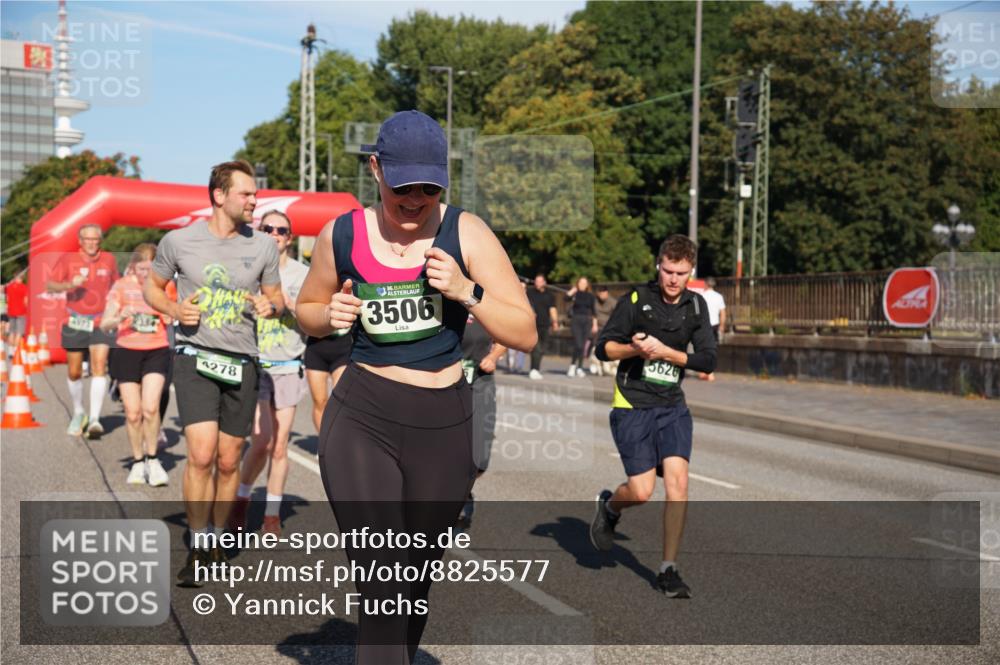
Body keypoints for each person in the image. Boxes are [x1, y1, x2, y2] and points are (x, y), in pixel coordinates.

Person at [296, 109, 536, 664]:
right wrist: (326, 312)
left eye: (430, 186)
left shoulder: (466, 231)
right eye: (404, 186)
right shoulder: (344, 232)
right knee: (382, 581)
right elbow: (305, 309)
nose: (416, 199)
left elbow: (524, 331)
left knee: (413, 585)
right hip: (363, 415)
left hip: (444, 423)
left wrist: (466, 290)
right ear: (376, 169)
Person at [144, 160, 284, 586]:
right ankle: (199, 544)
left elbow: (276, 299)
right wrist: (172, 308)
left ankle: (220, 538)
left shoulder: (261, 246)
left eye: (255, 194)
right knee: (201, 455)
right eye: (246, 194)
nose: (254, 201)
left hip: (242, 360)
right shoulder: (179, 242)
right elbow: (152, 287)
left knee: (228, 462)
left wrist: (270, 306)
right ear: (219, 195)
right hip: (195, 355)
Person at [590, 234, 717, 599]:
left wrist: (665, 353)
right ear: (657, 266)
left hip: (672, 406)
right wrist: (634, 349)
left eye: (681, 273)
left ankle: (668, 569)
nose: (674, 279)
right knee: (642, 491)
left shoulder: (696, 306)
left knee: (678, 483)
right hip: (633, 401)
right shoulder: (636, 300)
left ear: (691, 271)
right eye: (668, 271)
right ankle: (611, 507)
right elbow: (603, 349)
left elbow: (707, 359)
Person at [230, 211, 310, 537]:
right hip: (255, 363)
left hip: (289, 365)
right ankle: (241, 500)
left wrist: (289, 304)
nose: (275, 233)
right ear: (259, 233)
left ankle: (272, 516)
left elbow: (312, 322)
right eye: (268, 228)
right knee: (261, 441)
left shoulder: (303, 274)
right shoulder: (246, 271)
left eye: (282, 230)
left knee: (280, 446)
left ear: (289, 238)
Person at [100, 243, 171, 487]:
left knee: (150, 408)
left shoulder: (165, 287)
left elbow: (174, 316)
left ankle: (153, 459)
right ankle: (138, 462)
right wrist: (120, 316)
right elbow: (104, 324)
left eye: (150, 269)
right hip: (127, 351)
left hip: (156, 350)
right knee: (133, 413)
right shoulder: (121, 286)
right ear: (133, 267)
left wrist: (166, 313)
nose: (145, 274)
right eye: (141, 269)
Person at [46, 224, 119, 438]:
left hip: (100, 321)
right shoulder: (68, 260)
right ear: (80, 241)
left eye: (96, 239)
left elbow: (116, 286)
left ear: (100, 241)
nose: (92, 243)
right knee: (75, 371)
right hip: (75, 320)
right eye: (87, 239)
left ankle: (95, 419)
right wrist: (69, 284)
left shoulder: (109, 259)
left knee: (99, 367)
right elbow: (50, 285)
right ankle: (79, 412)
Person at [457, 312, 507, 529]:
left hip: (480, 381)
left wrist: (494, 356)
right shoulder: (440, 299)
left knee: (480, 458)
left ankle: (464, 492)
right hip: (444, 382)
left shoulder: (485, 303)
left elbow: (506, 337)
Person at [303, 330, 352, 433]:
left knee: (340, 401)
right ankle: (323, 443)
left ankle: (338, 441)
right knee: (319, 402)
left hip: (343, 347)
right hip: (316, 348)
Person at [526, 273, 558, 380]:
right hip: (533, 325)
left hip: (545, 324)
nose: (537, 283)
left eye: (540, 281)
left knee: (543, 348)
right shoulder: (530, 293)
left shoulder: (550, 295)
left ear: (544, 282)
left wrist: (555, 322)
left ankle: (536, 369)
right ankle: (533, 369)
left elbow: (552, 309)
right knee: (536, 348)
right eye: (536, 281)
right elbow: (525, 304)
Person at [565, 276, 598, 377]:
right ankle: (572, 366)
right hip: (576, 320)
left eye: (584, 283)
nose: (582, 285)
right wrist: (573, 290)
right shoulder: (575, 294)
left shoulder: (591, 296)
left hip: (587, 321)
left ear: (587, 285)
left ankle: (579, 367)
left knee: (583, 346)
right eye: (580, 283)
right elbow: (565, 298)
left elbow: (594, 311)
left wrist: (595, 325)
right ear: (577, 284)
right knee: (578, 344)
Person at [698, 276, 726, 381]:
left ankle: (704, 372)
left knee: (701, 349)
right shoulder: (719, 297)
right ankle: (709, 372)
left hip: (703, 325)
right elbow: (722, 313)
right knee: (712, 349)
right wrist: (722, 326)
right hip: (715, 325)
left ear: (705, 284)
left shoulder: (702, 296)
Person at [590, 284, 618, 376]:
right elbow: (593, 314)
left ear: (607, 293)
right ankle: (597, 365)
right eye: (600, 294)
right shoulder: (594, 301)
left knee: (607, 347)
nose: (602, 296)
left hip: (609, 327)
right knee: (595, 347)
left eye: (603, 293)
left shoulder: (613, 302)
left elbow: (617, 316)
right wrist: (594, 325)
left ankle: (609, 366)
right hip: (598, 327)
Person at [5, 268, 29, 353]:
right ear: (22, 277)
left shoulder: (9, 287)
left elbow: (7, 299)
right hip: (21, 312)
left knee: (11, 332)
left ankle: (10, 352)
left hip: (11, 312)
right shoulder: (24, 287)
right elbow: (26, 301)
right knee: (19, 332)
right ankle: (15, 351)